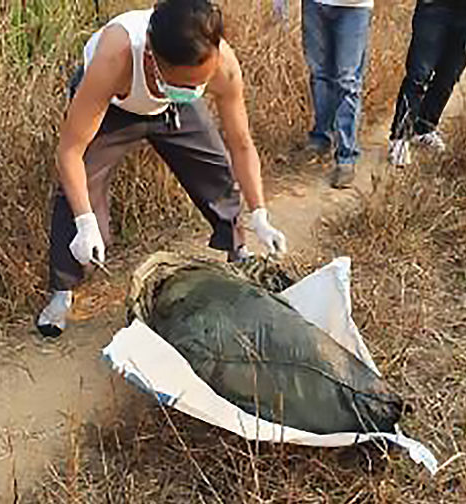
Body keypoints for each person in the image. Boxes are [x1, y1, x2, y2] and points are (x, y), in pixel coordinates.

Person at [37, 0, 287, 337]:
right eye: (184, 83)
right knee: (80, 191)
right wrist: (85, 221)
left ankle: (238, 250)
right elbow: (70, 151)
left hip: (171, 108)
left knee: (215, 171)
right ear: (153, 58)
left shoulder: (219, 65)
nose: (194, 89)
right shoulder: (115, 56)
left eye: (201, 82)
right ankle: (62, 293)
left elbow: (240, 143)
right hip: (115, 104)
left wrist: (260, 213)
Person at [387, 0, 466, 166]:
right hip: (434, 7)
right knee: (419, 74)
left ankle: (424, 128)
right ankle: (400, 137)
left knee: (449, 76)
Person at [295, 0, 374, 188]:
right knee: (319, 74)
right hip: (315, 4)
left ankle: (346, 156)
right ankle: (321, 137)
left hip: (354, 7)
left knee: (347, 82)